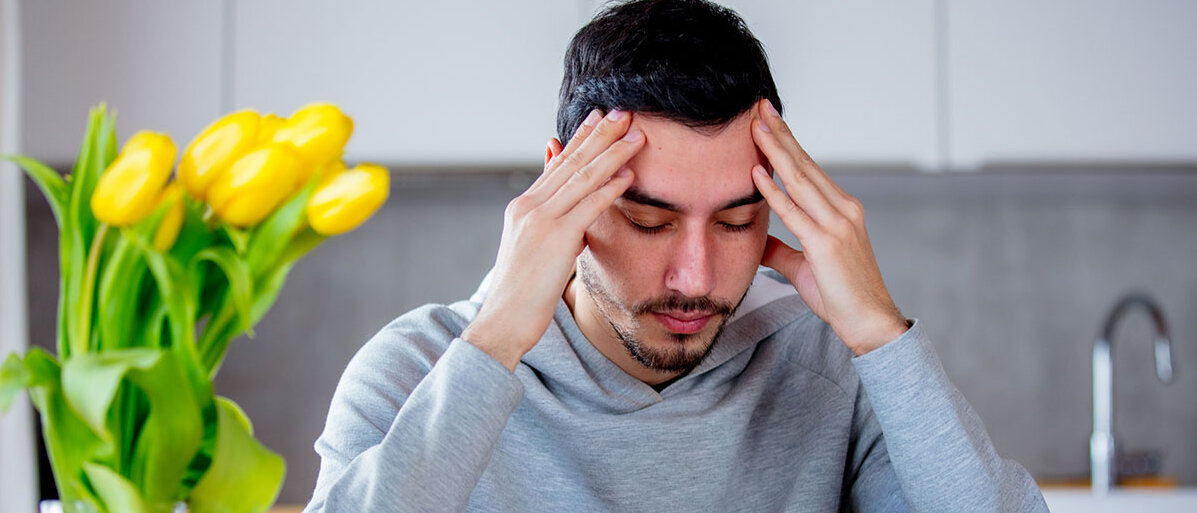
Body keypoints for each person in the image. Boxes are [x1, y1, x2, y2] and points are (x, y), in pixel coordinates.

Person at [303, 1, 1049, 511]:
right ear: (562, 183)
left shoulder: (831, 374)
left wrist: (881, 338)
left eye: (736, 221)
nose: (694, 278)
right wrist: (495, 340)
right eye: (648, 218)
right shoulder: (417, 370)